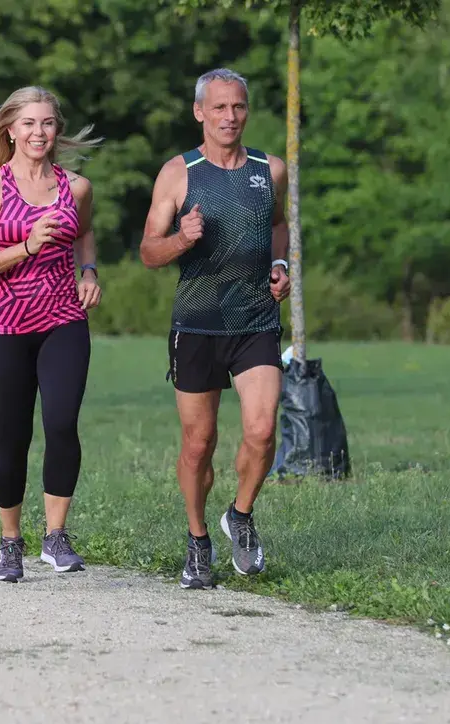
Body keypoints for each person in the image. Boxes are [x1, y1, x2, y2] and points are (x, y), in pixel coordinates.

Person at [138, 68, 292, 590]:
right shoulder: (179, 173)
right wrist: (181, 239)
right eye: (220, 108)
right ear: (199, 112)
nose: (231, 117)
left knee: (263, 429)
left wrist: (281, 265)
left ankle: (241, 515)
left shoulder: (271, 169)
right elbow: (148, 251)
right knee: (199, 443)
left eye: (239, 107)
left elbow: (278, 224)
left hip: (255, 319)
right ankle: (199, 539)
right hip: (198, 324)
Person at [0, 86, 103, 583]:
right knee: (14, 437)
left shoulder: (77, 187)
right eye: (28, 124)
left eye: (46, 123)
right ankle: (9, 543)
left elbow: (84, 233)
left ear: (57, 129)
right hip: (5, 325)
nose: (38, 132)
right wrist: (26, 244)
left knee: (62, 423)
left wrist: (88, 272)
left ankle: (56, 536)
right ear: (10, 129)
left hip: (63, 319)